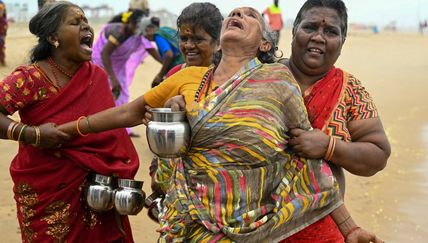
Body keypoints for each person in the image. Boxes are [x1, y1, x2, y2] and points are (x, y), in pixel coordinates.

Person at [58, 6, 382, 242]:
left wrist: (348, 226)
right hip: (185, 222)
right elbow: (129, 112)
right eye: (233, 13)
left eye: (250, 15)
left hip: (253, 226)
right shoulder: (188, 78)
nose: (238, 15)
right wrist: (68, 129)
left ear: (265, 44)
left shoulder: (277, 81)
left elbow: (304, 163)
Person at [0, 2, 139, 242]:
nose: (86, 26)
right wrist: (31, 135)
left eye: (86, 21)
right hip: (47, 191)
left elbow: (111, 132)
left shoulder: (96, 75)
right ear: (54, 37)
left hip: (98, 191)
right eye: (76, 22)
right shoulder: (31, 78)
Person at [277, 0, 391, 241]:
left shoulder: (350, 90)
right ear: (294, 30)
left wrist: (329, 147)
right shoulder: (261, 77)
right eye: (310, 27)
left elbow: (378, 155)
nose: (319, 37)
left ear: (342, 42)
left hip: (323, 230)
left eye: (330, 32)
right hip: (250, 228)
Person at [146, 1, 223, 220]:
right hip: (174, 183)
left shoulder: (227, 81)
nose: (189, 45)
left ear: (218, 42)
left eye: (198, 39)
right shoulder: (175, 74)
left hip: (214, 187)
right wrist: (155, 170)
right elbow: (160, 129)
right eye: (184, 38)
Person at [92, 9, 161, 136]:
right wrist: (112, 78)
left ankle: (123, 129)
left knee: (123, 94)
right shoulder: (119, 32)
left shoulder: (140, 34)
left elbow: (153, 52)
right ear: (130, 22)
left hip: (119, 64)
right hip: (102, 63)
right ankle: (99, 126)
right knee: (102, 93)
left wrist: (168, 63)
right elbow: (104, 53)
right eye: (135, 26)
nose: (137, 29)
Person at [142, 17, 185, 87]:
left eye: (146, 31)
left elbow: (169, 55)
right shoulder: (166, 29)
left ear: (151, 28)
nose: (145, 36)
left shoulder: (158, 35)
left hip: (179, 68)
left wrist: (160, 75)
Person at [0, 1, 7, 66]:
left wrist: (4, 35)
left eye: (1, 11)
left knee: (1, 47)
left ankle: (2, 60)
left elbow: (5, 28)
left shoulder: (4, 20)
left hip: (1, 35)